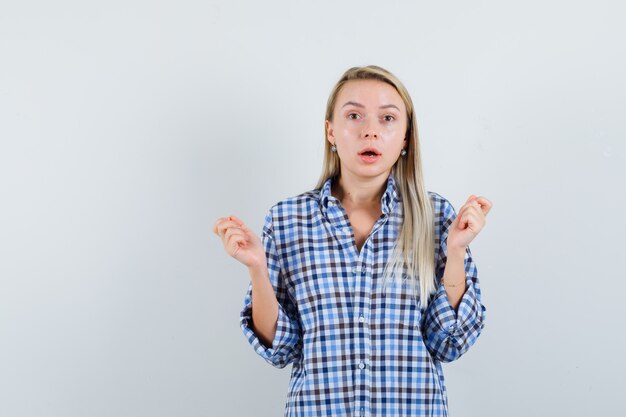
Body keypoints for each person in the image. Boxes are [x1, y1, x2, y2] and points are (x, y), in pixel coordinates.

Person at [213, 65, 493, 417]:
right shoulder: (287, 220)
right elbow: (280, 348)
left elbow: (449, 342)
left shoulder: (437, 216)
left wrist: (456, 250)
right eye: (354, 116)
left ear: (406, 137)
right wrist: (256, 268)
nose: (370, 131)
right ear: (330, 131)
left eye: (388, 118)